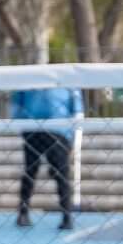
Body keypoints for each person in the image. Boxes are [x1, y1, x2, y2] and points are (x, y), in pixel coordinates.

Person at [9, 79, 83, 229]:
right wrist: (21, 125)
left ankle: (66, 216)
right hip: (32, 129)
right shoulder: (27, 81)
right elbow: (17, 104)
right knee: (30, 170)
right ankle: (23, 213)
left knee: (61, 173)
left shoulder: (68, 82)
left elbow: (77, 109)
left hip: (59, 130)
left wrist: (73, 138)